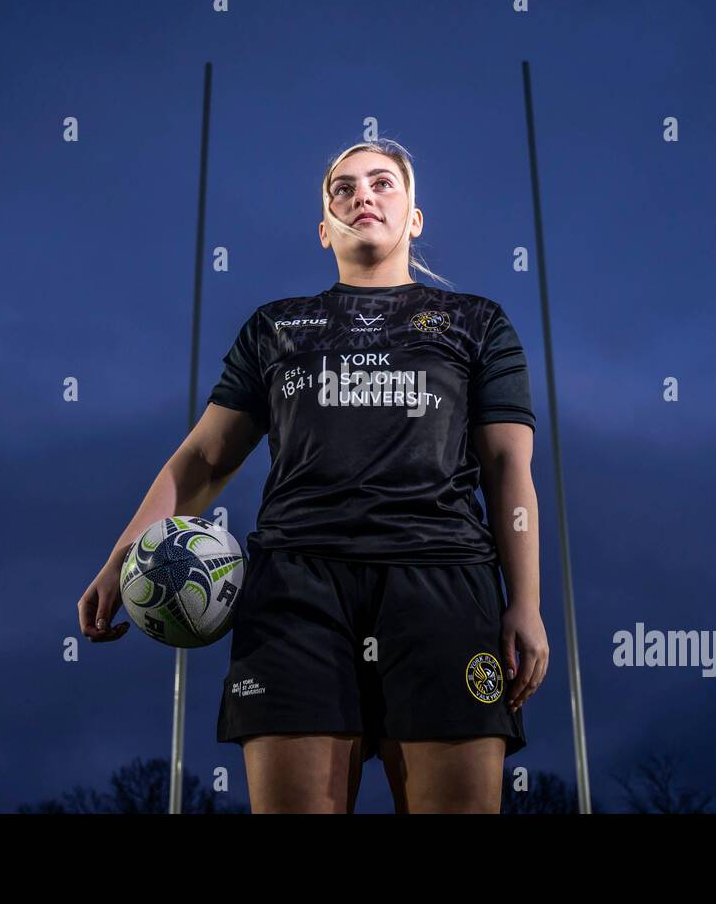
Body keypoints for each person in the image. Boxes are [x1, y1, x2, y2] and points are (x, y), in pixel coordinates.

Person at [77, 138, 550, 813]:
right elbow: (205, 459)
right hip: (296, 594)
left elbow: (508, 466)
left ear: (415, 217)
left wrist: (525, 603)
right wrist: (121, 560)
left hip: (444, 585)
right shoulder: (276, 329)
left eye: (384, 183)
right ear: (324, 226)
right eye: (344, 188)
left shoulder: (475, 323)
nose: (364, 195)